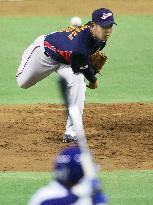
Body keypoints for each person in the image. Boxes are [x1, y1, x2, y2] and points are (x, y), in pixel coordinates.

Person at [16, 8, 116, 143]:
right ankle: (30, 54)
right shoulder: (79, 47)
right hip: (44, 53)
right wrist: (93, 80)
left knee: (78, 80)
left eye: (110, 26)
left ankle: (72, 131)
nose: (108, 30)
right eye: (104, 27)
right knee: (23, 82)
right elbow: (82, 61)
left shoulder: (101, 37)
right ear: (93, 26)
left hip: (68, 60)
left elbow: (80, 62)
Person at [27, 146, 107, 205]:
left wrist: (97, 195)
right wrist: (76, 194)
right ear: (77, 174)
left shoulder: (89, 196)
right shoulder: (45, 195)